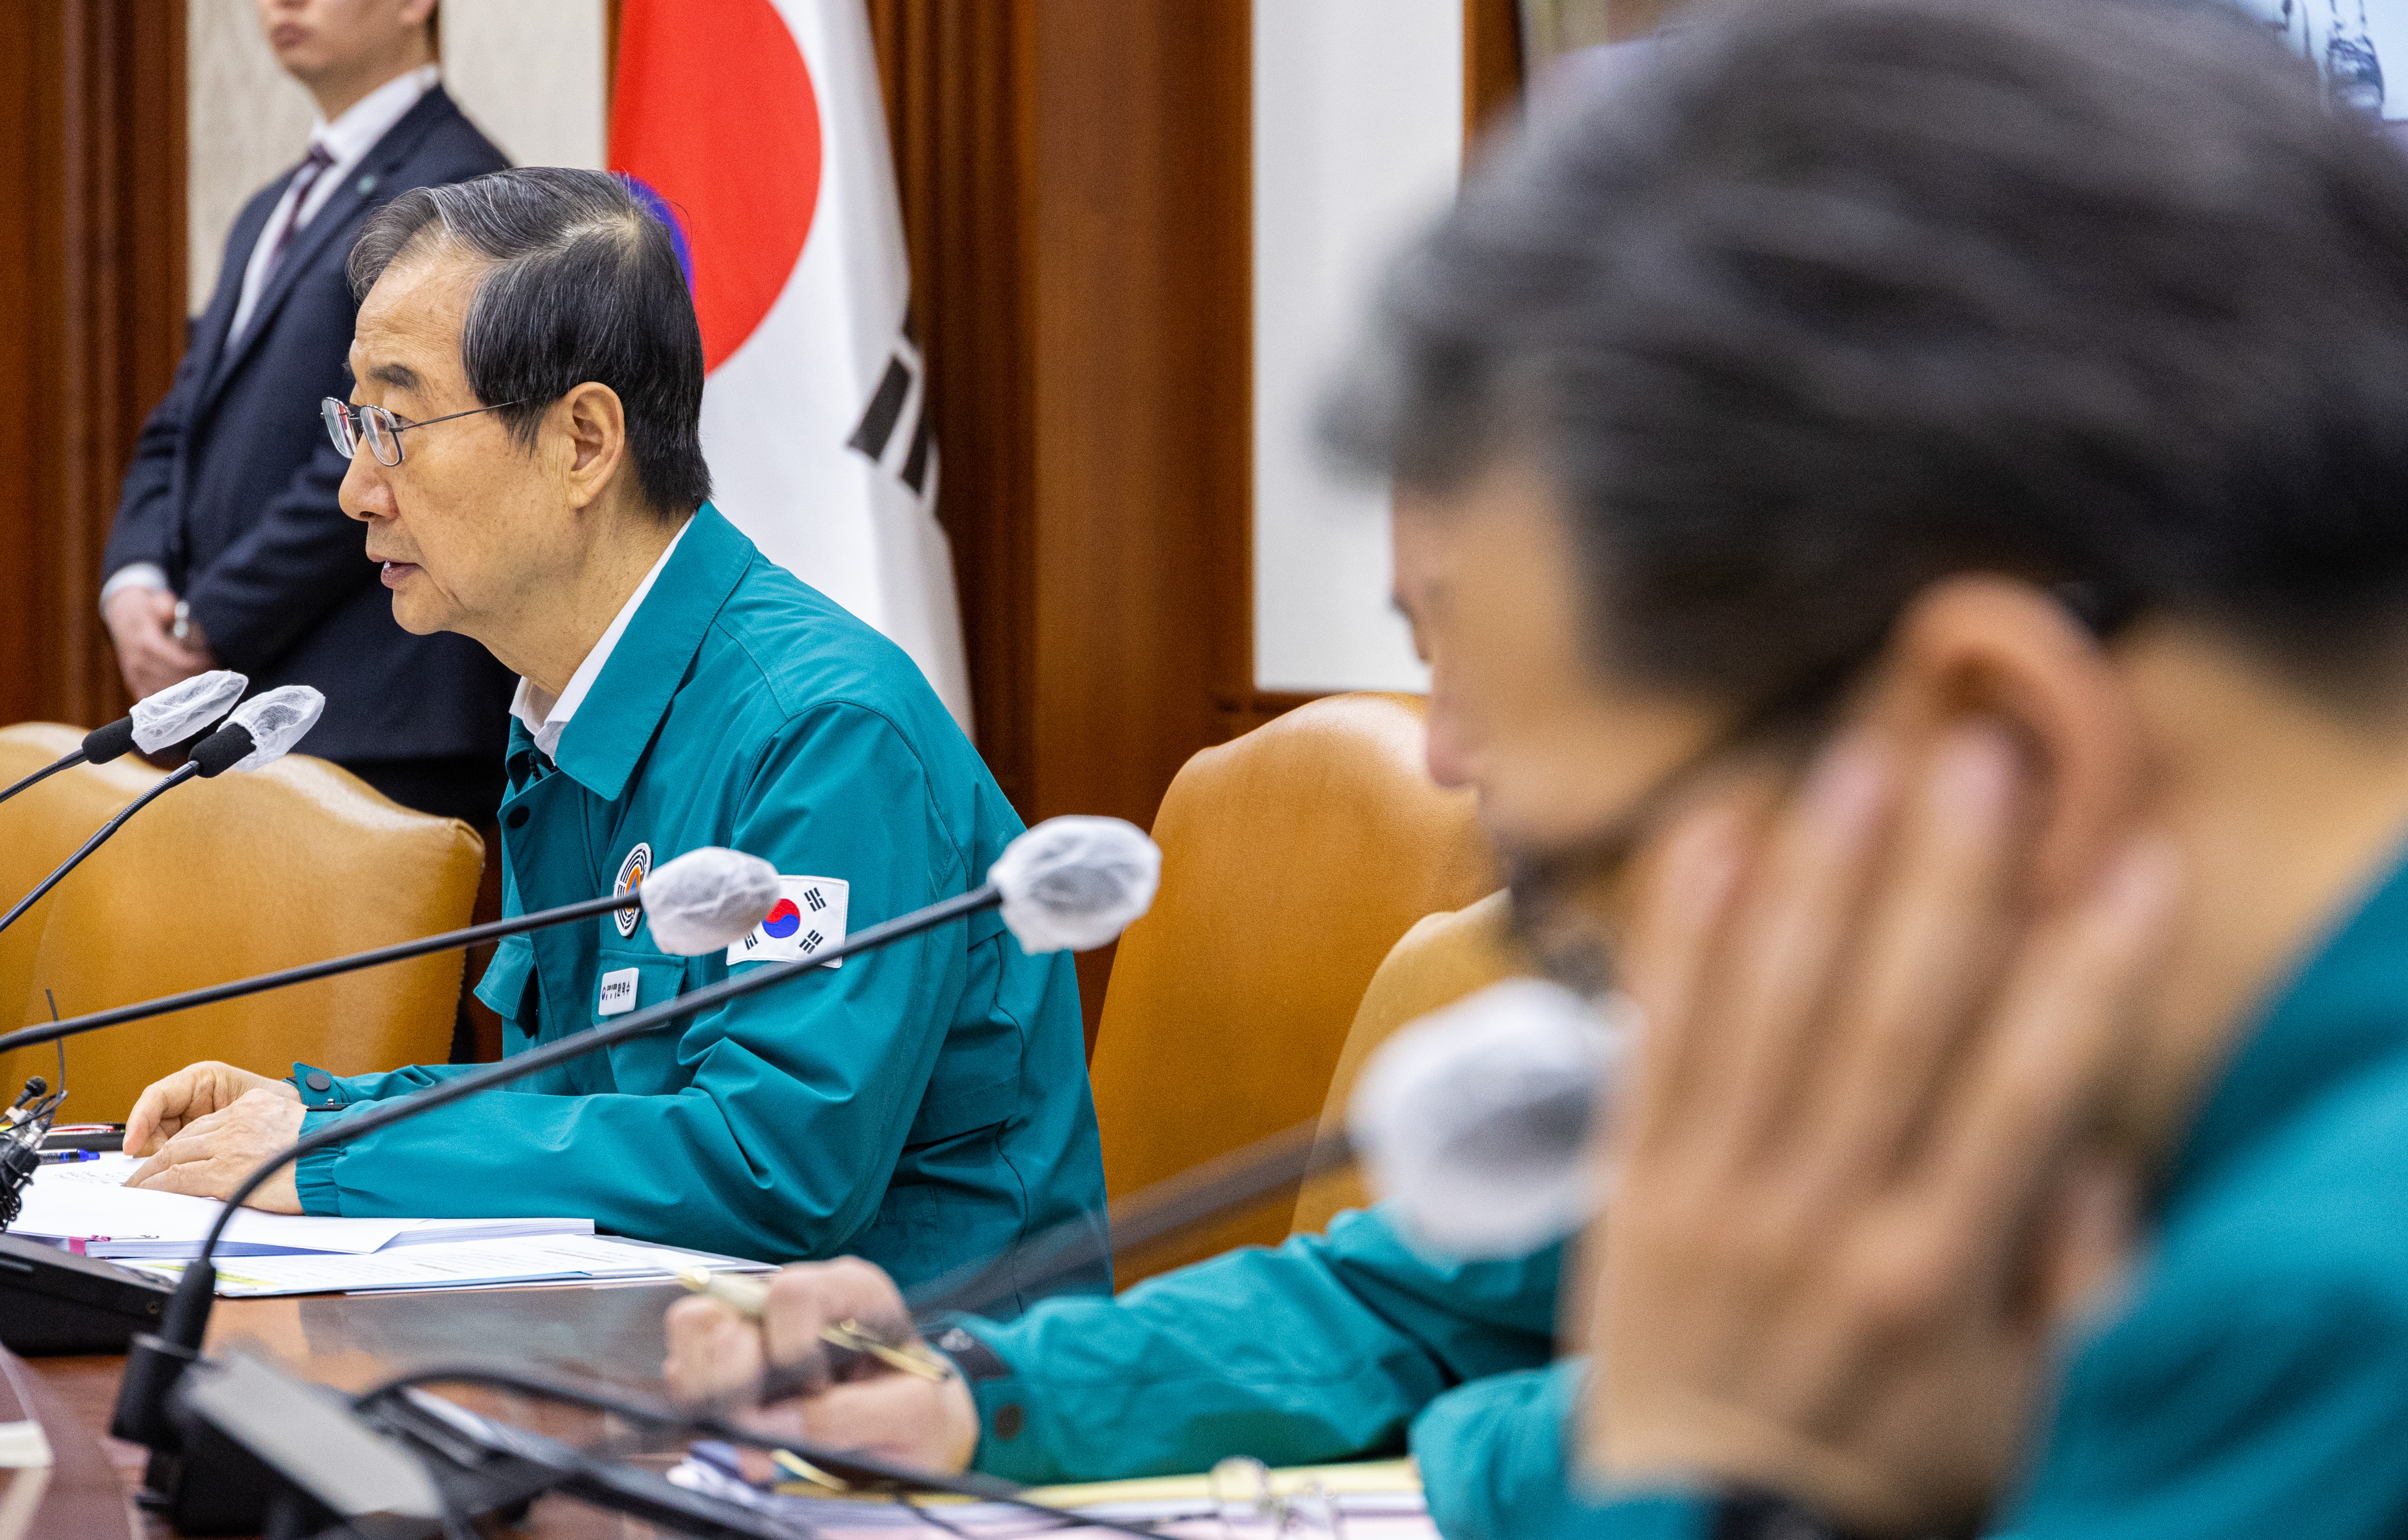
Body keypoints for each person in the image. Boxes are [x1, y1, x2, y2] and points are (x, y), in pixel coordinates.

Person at [663, 1, 2408, 1536]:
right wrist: (987, 1386)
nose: (1454, 768)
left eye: (1593, 875)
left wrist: (1719, 1476)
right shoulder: (2101, 1100)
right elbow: (1460, 1295)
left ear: (1996, 738)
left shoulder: (2313, 1311)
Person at [112, 168, 1110, 1307]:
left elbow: (769, 1165)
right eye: (354, 421)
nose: (357, 489)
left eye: (394, 422)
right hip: (655, 1348)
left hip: (912, 1403)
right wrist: (322, 1115)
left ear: (584, 440)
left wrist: (336, 1158)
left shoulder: (825, 734)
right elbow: (585, 1106)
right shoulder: (563, 705)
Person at [100, 0, 514, 835]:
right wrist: (135, 580)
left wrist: (206, 621)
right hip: (252, 710)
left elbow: (388, 442)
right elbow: (180, 422)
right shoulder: (266, 210)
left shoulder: (461, 190)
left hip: (375, 715)